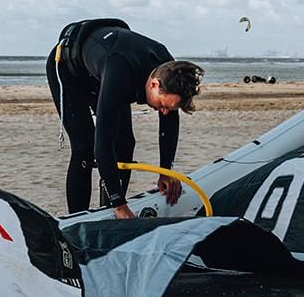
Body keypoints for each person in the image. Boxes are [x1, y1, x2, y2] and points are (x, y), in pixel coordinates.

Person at [46, 19, 204, 219]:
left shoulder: (170, 72)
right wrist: (120, 205)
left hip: (101, 68)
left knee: (125, 144)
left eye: (170, 108)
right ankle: (79, 218)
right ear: (154, 84)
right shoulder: (120, 74)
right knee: (85, 147)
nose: (164, 112)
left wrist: (166, 171)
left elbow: (170, 124)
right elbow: (102, 144)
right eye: (163, 105)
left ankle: (108, 211)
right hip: (69, 69)